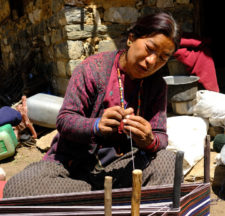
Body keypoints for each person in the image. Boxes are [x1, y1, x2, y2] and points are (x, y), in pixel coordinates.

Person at [3, 11, 181, 198]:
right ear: (131, 39)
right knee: (18, 189)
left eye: (162, 57)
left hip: (122, 169)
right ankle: (108, 201)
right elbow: (64, 121)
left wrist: (149, 140)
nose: (152, 61)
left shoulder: (157, 85)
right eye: (150, 48)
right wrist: (96, 126)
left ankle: (95, 203)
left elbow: (160, 136)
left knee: (169, 162)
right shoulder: (92, 69)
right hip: (71, 170)